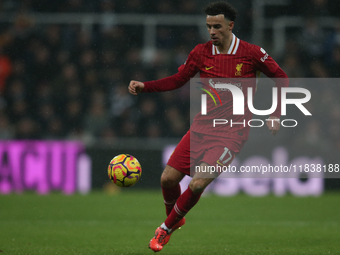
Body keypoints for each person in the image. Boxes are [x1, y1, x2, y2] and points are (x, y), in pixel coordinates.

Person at [128, 1, 289, 252]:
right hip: (201, 128)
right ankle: (175, 217)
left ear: (230, 26)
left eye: (217, 26)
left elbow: (282, 78)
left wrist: (276, 113)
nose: (212, 31)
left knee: (197, 184)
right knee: (168, 179)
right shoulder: (201, 52)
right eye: (208, 26)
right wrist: (145, 86)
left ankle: (165, 229)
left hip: (231, 134)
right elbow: (178, 80)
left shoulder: (251, 53)